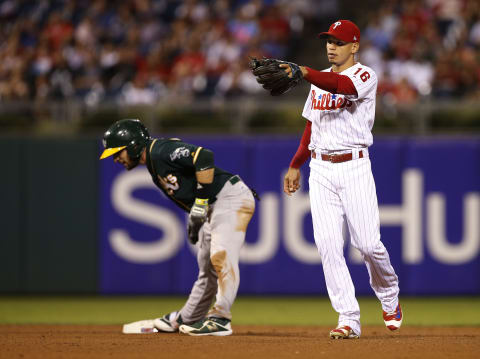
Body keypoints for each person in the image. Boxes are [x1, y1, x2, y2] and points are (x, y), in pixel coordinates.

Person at [282, 20, 402, 339]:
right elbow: (311, 125)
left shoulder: (364, 75)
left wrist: (306, 72)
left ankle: (389, 293)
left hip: (354, 166)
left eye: (338, 41)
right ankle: (348, 317)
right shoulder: (319, 79)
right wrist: (295, 165)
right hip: (320, 169)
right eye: (328, 41)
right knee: (328, 245)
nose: (331, 46)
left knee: (367, 244)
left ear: (354, 46)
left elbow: (343, 88)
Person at [100, 118, 256, 336]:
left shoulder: (160, 151)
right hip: (215, 205)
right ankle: (186, 318)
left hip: (228, 198)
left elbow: (203, 156)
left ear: (134, 145)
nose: (116, 159)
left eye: (118, 152)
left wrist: (200, 202)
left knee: (221, 257)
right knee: (207, 268)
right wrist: (197, 215)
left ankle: (220, 318)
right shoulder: (154, 165)